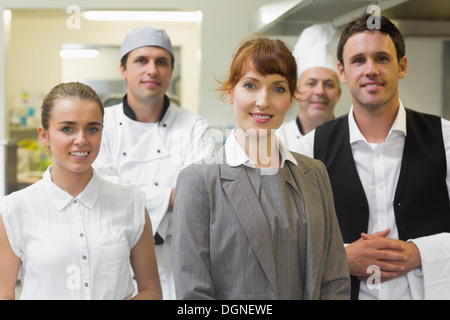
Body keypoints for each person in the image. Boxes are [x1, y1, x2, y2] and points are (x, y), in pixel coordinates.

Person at [172, 36, 350, 300]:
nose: (263, 101)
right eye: (251, 85)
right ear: (231, 91)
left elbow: (334, 279)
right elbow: (193, 295)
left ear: (291, 98)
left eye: (278, 89)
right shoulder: (200, 180)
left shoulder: (314, 173)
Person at [297, 13, 450, 300]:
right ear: (342, 72)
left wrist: (421, 253)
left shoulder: (444, 137)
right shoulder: (310, 149)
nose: (371, 70)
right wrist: (341, 256)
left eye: (381, 58)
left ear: (402, 66)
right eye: (358, 60)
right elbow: (292, 242)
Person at [0, 82, 162, 300]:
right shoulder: (15, 209)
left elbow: (151, 291)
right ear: (44, 135)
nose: (81, 140)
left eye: (92, 128)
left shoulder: (130, 203)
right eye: (67, 128)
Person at [92, 26, 215, 300]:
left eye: (162, 62)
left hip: (180, 262)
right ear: (123, 69)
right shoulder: (101, 124)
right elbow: (101, 195)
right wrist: (172, 197)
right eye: (141, 60)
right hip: (117, 262)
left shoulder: (194, 126)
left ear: (171, 71)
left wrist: (131, 194)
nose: (152, 70)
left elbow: (202, 197)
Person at [277, 23, 341, 150]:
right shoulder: (277, 140)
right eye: (311, 83)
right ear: (296, 91)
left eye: (329, 84)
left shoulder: (350, 139)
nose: (320, 91)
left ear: (338, 93)